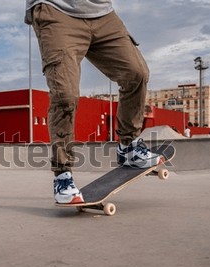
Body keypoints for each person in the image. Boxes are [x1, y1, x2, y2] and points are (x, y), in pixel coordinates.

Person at [25, 0, 162, 204]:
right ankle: (63, 174)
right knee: (65, 94)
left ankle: (128, 148)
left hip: (102, 13)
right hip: (56, 11)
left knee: (136, 73)